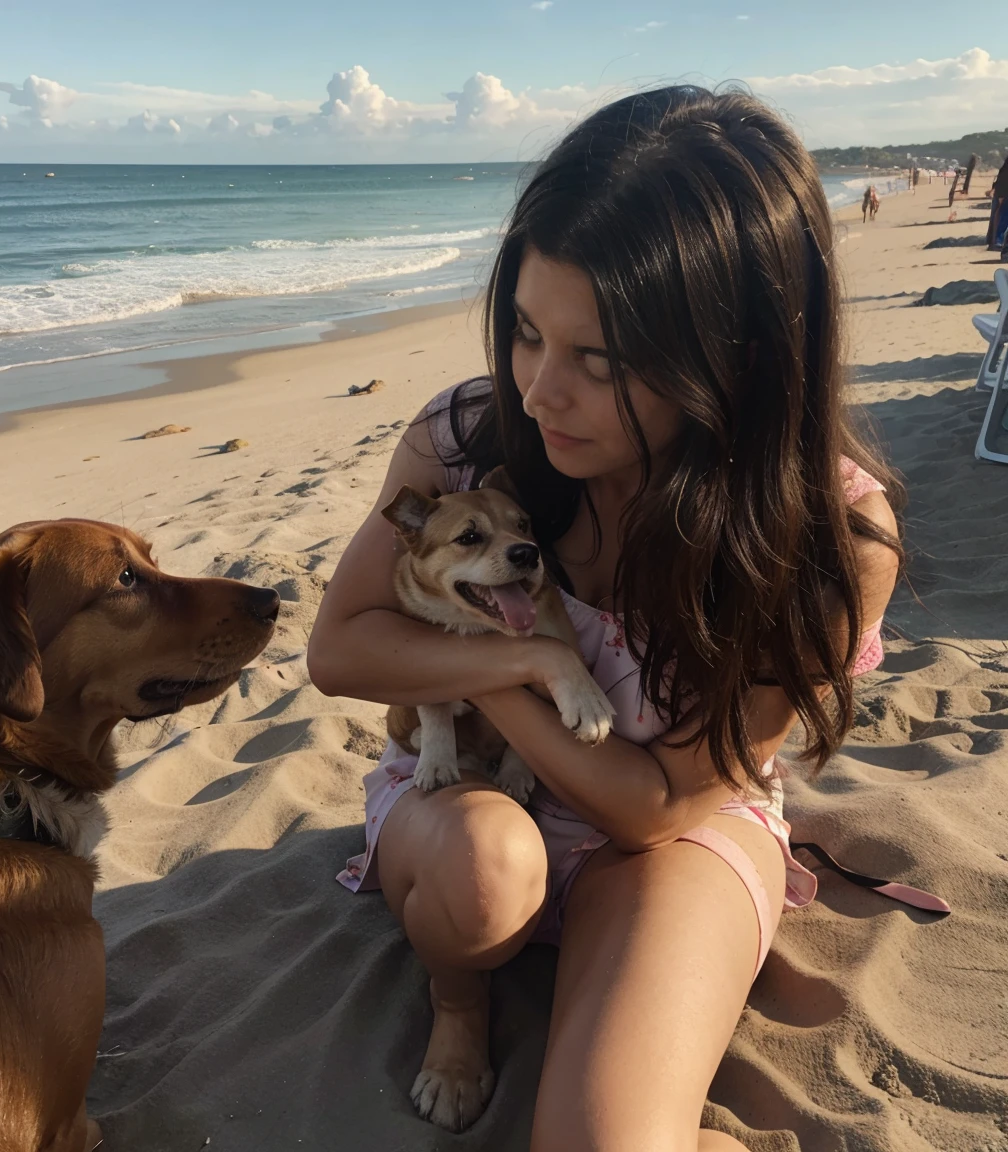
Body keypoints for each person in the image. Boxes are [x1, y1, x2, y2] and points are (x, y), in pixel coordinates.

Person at [308, 85, 903, 1151]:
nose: (539, 393)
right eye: (529, 333)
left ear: (737, 356)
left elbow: (658, 806)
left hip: (673, 830)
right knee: (485, 877)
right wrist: (522, 664)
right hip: (476, 801)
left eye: (601, 359)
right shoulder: (469, 438)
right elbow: (340, 644)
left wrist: (496, 660)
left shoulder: (829, 539)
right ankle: (461, 1002)